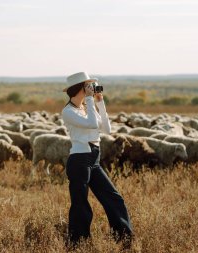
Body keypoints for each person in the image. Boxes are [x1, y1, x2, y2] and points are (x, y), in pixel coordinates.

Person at [61, 71, 133, 248]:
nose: (91, 89)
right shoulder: (68, 111)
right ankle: (78, 243)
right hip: (79, 160)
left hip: (94, 159)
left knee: (114, 198)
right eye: (88, 86)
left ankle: (124, 239)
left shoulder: (87, 108)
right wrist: (91, 100)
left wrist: (100, 102)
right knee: (80, 204)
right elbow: (93, 125)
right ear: (80, 88)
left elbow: (106, 129)